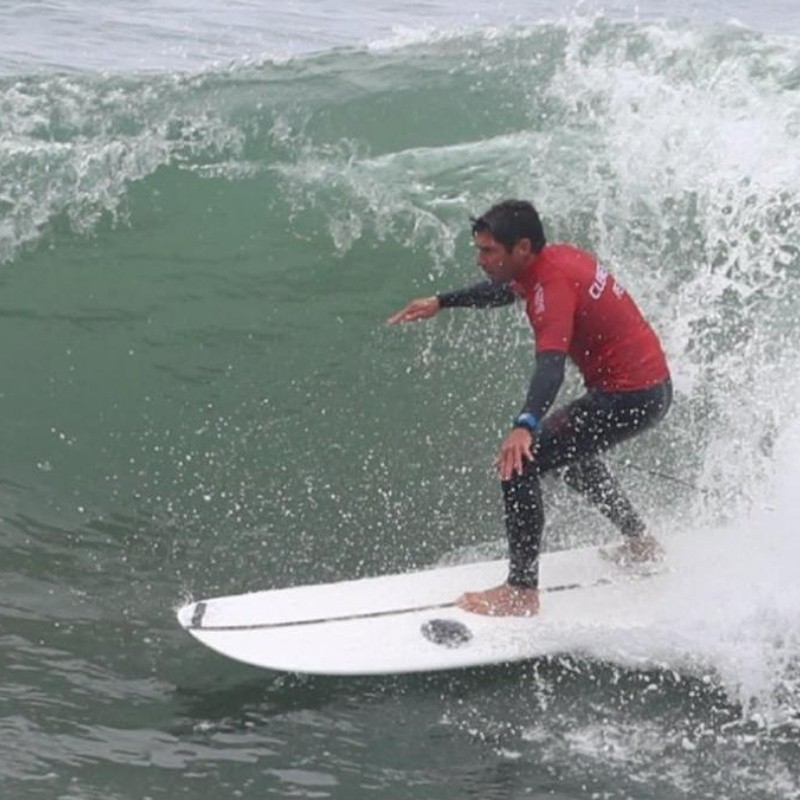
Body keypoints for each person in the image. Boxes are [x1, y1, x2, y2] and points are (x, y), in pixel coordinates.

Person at [387, 199, 671, 617]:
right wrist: (443, 301)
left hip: (629, 396)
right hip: (649, 389)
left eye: (488, 252)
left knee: (519, 463)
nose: (479, 259)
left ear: (521, 248)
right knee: (573, 458)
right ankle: (641, 543)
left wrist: (525, 424)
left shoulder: (552, 287)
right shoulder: (554, 259)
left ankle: (521, 591)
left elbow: (550, 367)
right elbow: (507, 290)